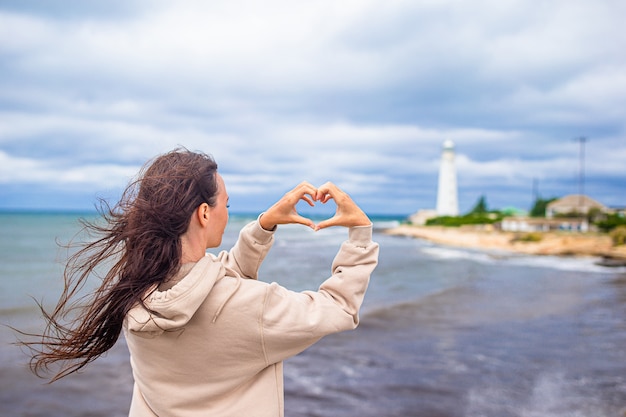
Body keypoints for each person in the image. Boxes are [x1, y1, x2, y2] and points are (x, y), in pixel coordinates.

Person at [20, 148, 379, 417]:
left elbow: (210, 281)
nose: (227, 211)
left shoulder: (133, 290)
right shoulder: (253, 306)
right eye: (226, 203)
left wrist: (265, 225)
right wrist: (359, 235)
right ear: (205, 213)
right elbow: (339, 309)